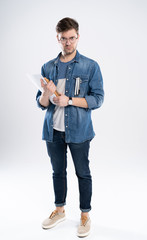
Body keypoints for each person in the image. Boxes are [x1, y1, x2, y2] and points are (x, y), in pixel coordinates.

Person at [36, 17, 104, 238]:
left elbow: (98, 99)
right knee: (58, 172)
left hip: (79, 131)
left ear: (78, 37)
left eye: (71, 38)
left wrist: (71, 100)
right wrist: (46, 93)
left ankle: (85, 215)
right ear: (58, 38)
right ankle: (59, 210)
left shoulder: (90, 66)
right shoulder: (48, 67)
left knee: (82, 173)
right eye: (63, 39)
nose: (68, 43)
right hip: (53, 131)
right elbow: (41, 103)